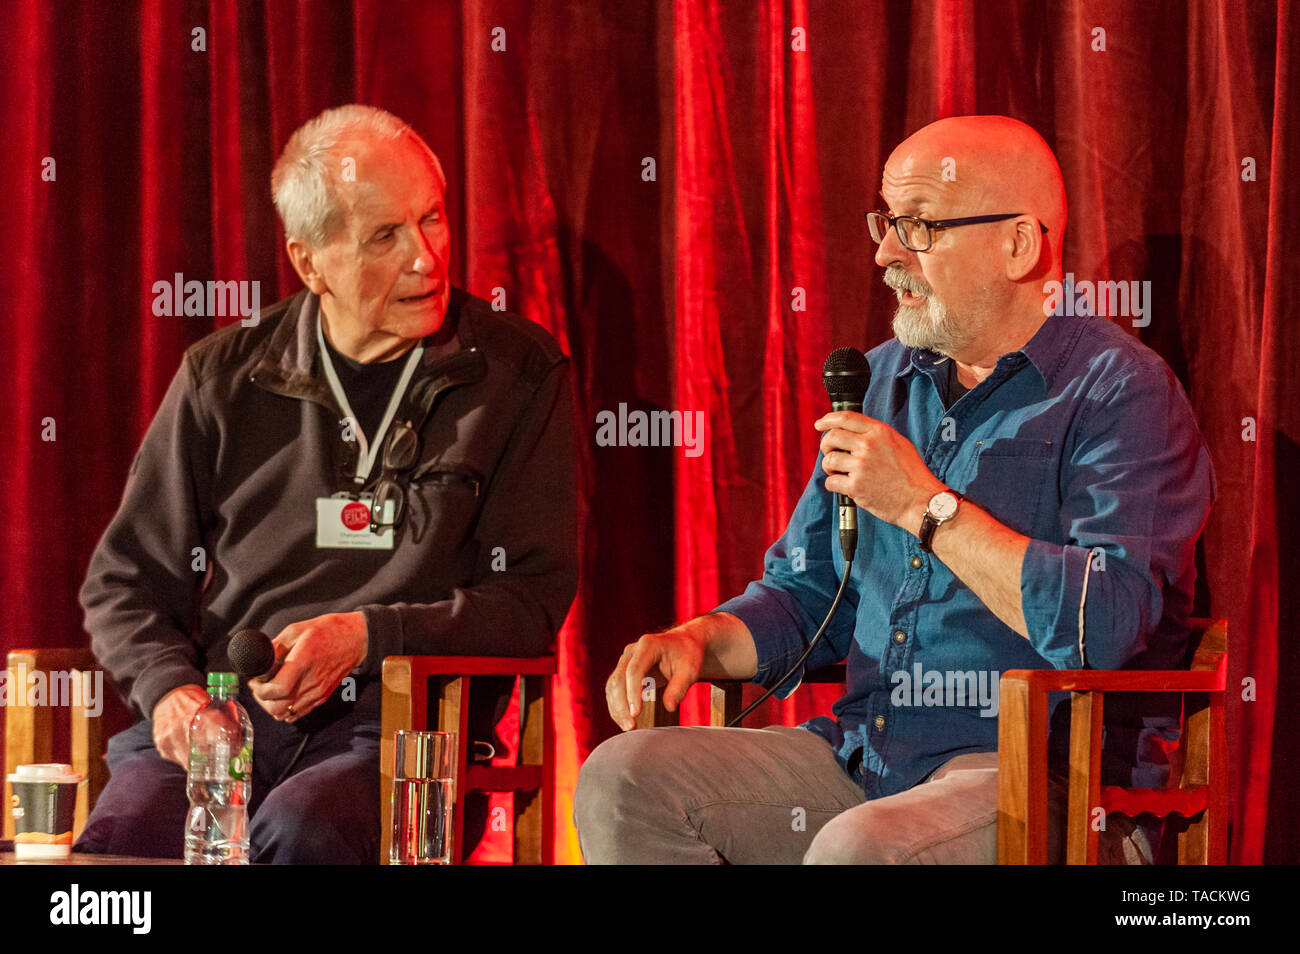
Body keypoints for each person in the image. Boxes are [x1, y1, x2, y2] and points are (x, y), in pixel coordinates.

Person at [574, 115, 1215, 864]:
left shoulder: (1121, 391)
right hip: (868, 759)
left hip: (1045, 783)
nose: (883, 253)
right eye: (885, 221)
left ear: (1019, 244)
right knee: (625, 779)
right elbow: (810, 595)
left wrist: (922, 504)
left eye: (918, 226)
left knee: (859, 848)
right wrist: (696, 640)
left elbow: (1107, 622)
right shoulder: (882, 380)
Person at [76, 104, 577, 863]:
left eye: (432, 219)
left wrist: (369, 636)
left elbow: (529, 603)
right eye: (385, 237)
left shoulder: (516, 374)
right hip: (226, 719)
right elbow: (123, 581)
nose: (427, 259)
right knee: (124, 848)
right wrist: (170, 694)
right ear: (310, 263)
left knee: (303, 830)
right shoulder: (224, 375)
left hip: (407, 732)